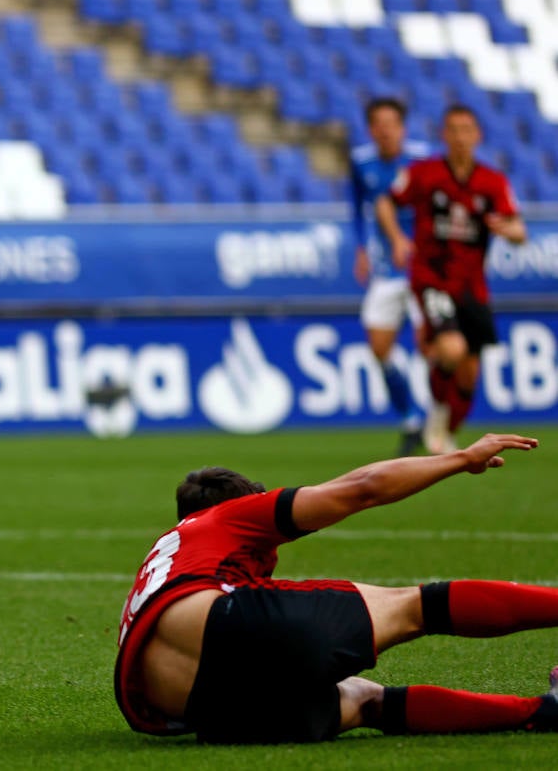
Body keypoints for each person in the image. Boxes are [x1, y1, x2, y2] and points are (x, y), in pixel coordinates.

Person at [115, 432, 558, 744]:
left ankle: (541, 713)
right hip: (221, 625)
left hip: (200, 707)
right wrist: (462, 458)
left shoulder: (163, 562)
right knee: (416, 608)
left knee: (367, 702)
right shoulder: (228, 516)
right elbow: (362, 489)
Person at [377, 104, 526, 454]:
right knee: (452, 349)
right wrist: (398, 238)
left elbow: (519, 228)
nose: (460, 138)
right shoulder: (424, 173)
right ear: (444, 135)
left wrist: (510, 231)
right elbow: (386, 201)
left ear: (477, 136)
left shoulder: (492, 182)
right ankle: (438, 405)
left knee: (469, 373)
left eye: (466, 131)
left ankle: (446, 427)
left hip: (472, 287)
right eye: (453, 130)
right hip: (431, 279)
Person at [347, 97, 430, 454]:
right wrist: (361, 248)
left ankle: (439, 421)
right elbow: (357, 209)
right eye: (378, 123)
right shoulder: (361, 162)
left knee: (433, 345)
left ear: (402, 127)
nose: (385, 129)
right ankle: (411, 417)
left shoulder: (423, 160)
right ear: (370, 129)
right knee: (379, 348)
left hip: (425, 265)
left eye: (391, 123)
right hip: (387, 267)